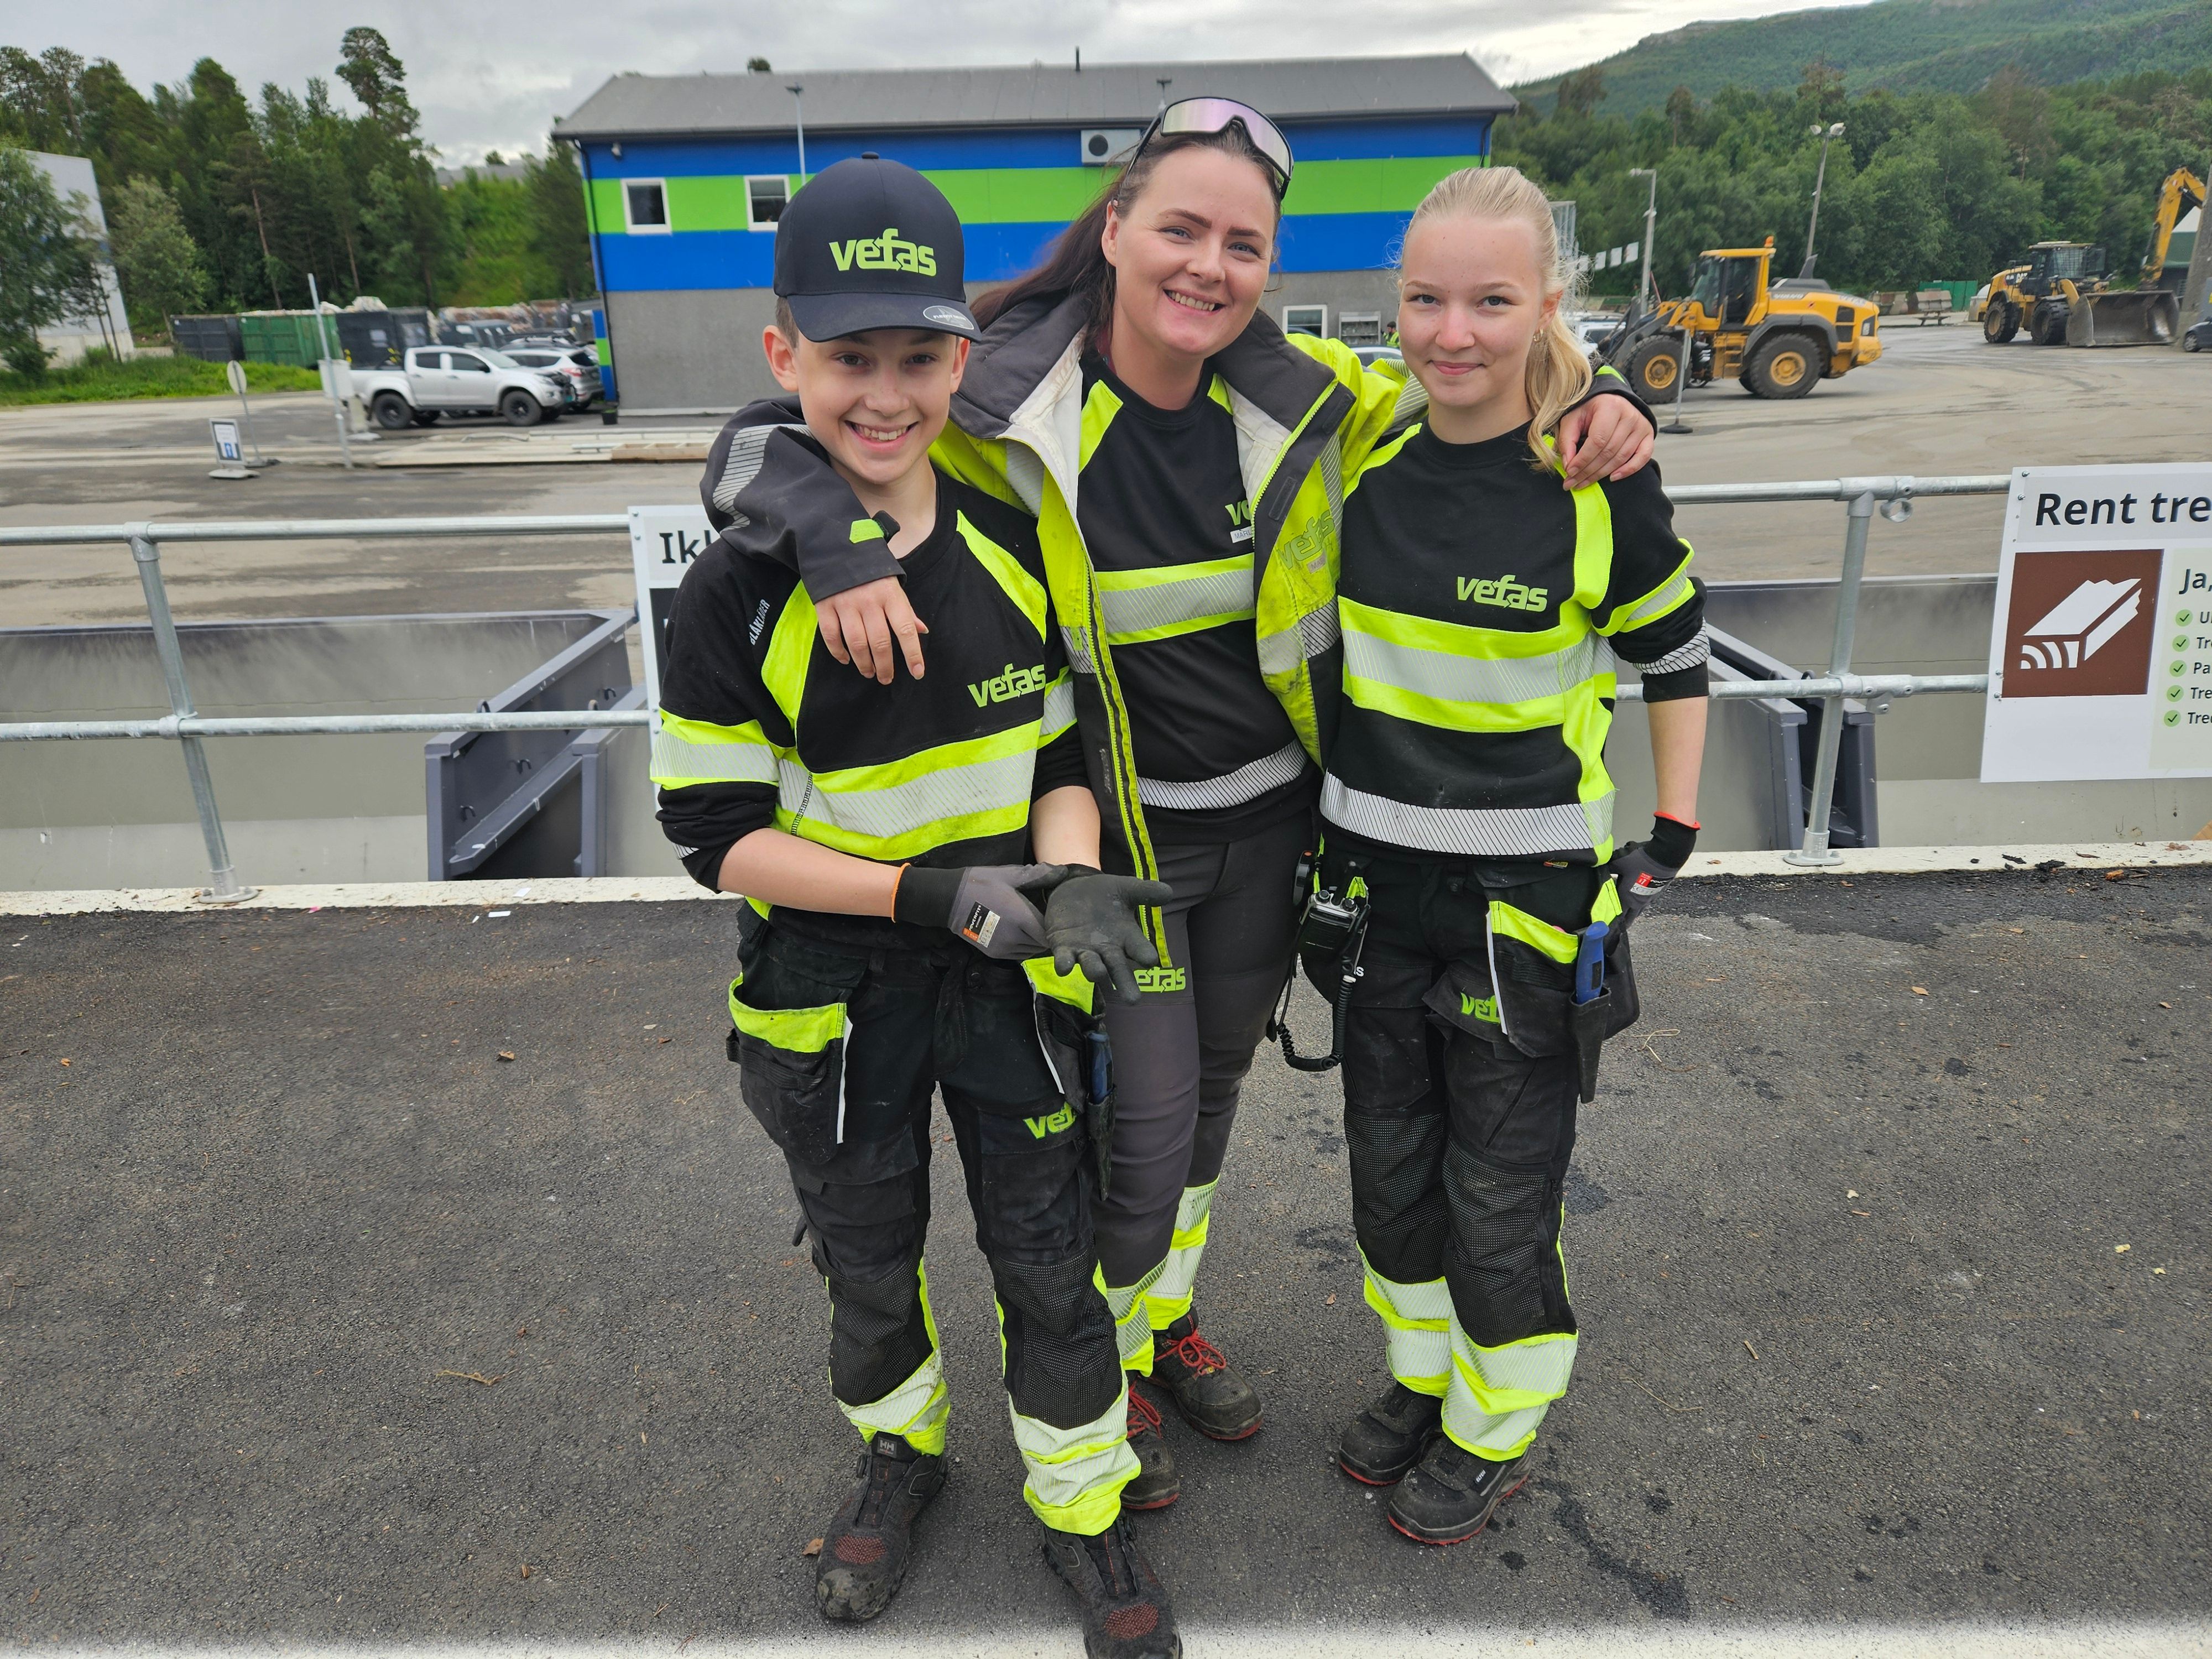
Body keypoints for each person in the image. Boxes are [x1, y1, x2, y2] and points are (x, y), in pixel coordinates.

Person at [718, 101, 1659, 1511]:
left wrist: (1612, 391)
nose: (1207, 266)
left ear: (1268, 265)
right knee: (1141, 1123)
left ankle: (1157, 1326)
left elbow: (1475, 375)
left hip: (1270, 830)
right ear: (1114, 231)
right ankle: (1096, 1365)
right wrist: (829, 534)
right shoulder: (1002, 398)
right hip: (1114, 842)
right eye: (1178, 228)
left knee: (1210, 1101)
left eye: (1242, 243)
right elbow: (771, 436)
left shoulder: (1304, 395)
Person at [653, 155, 1183, 1658]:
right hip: (833, 987)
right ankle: (904, 1453)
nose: (883, 397)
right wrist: (925, 895)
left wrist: (1059, 875)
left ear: (962, 359)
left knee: (1050, 1261)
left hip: (1005, 969)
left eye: (915, 359)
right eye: (848, 360)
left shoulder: (1011, 539)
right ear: (783, 359)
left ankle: (1082, 1505)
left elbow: (1062, 754)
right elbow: (714, 838)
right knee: (866, 1255)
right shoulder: (736, 591)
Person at [1313, 164, 1708, 1545]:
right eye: (1424, 300)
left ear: (1546, 305)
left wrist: (1670, 837)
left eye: (1489, 302)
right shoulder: (1357, 455)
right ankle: (1424, 1381)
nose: (1450, 333)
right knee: (1388, 1174)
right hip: (1370, 895)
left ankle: (1494, 1423)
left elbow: (1675, 659)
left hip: (1522, 911)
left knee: (1495, 1193)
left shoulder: (1595, 481)